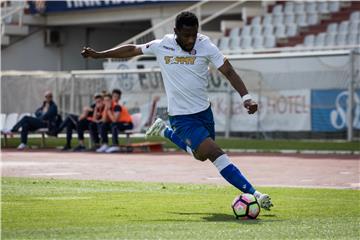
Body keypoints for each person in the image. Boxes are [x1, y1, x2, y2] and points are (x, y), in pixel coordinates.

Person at [81, 12, 273, 210]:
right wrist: (99, 54)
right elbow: (133, 49)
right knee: (215, 153)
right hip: (181, 117)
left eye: (194, 35)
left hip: (204, 112)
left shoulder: (205, 45)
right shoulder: (163, 45)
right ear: (176, 32)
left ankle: (164, 131)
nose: (191, 40)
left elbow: (229, 71)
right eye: (186, 35)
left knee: (201, 156)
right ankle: (255, 194)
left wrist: (246, 98)